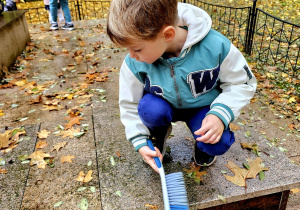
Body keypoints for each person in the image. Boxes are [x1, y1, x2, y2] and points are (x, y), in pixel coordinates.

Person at [107, 0, 257, 173]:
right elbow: (129, 103)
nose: (131, 56)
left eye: (137, 49)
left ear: (168, 35)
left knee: (218, 142)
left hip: (202, 108)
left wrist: (220, 114)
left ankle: (203, 147)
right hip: (162, 104)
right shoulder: (134, 63)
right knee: (150, 109)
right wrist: (139, 140)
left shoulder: (216, 47)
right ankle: (157, 133)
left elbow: (241, 83)